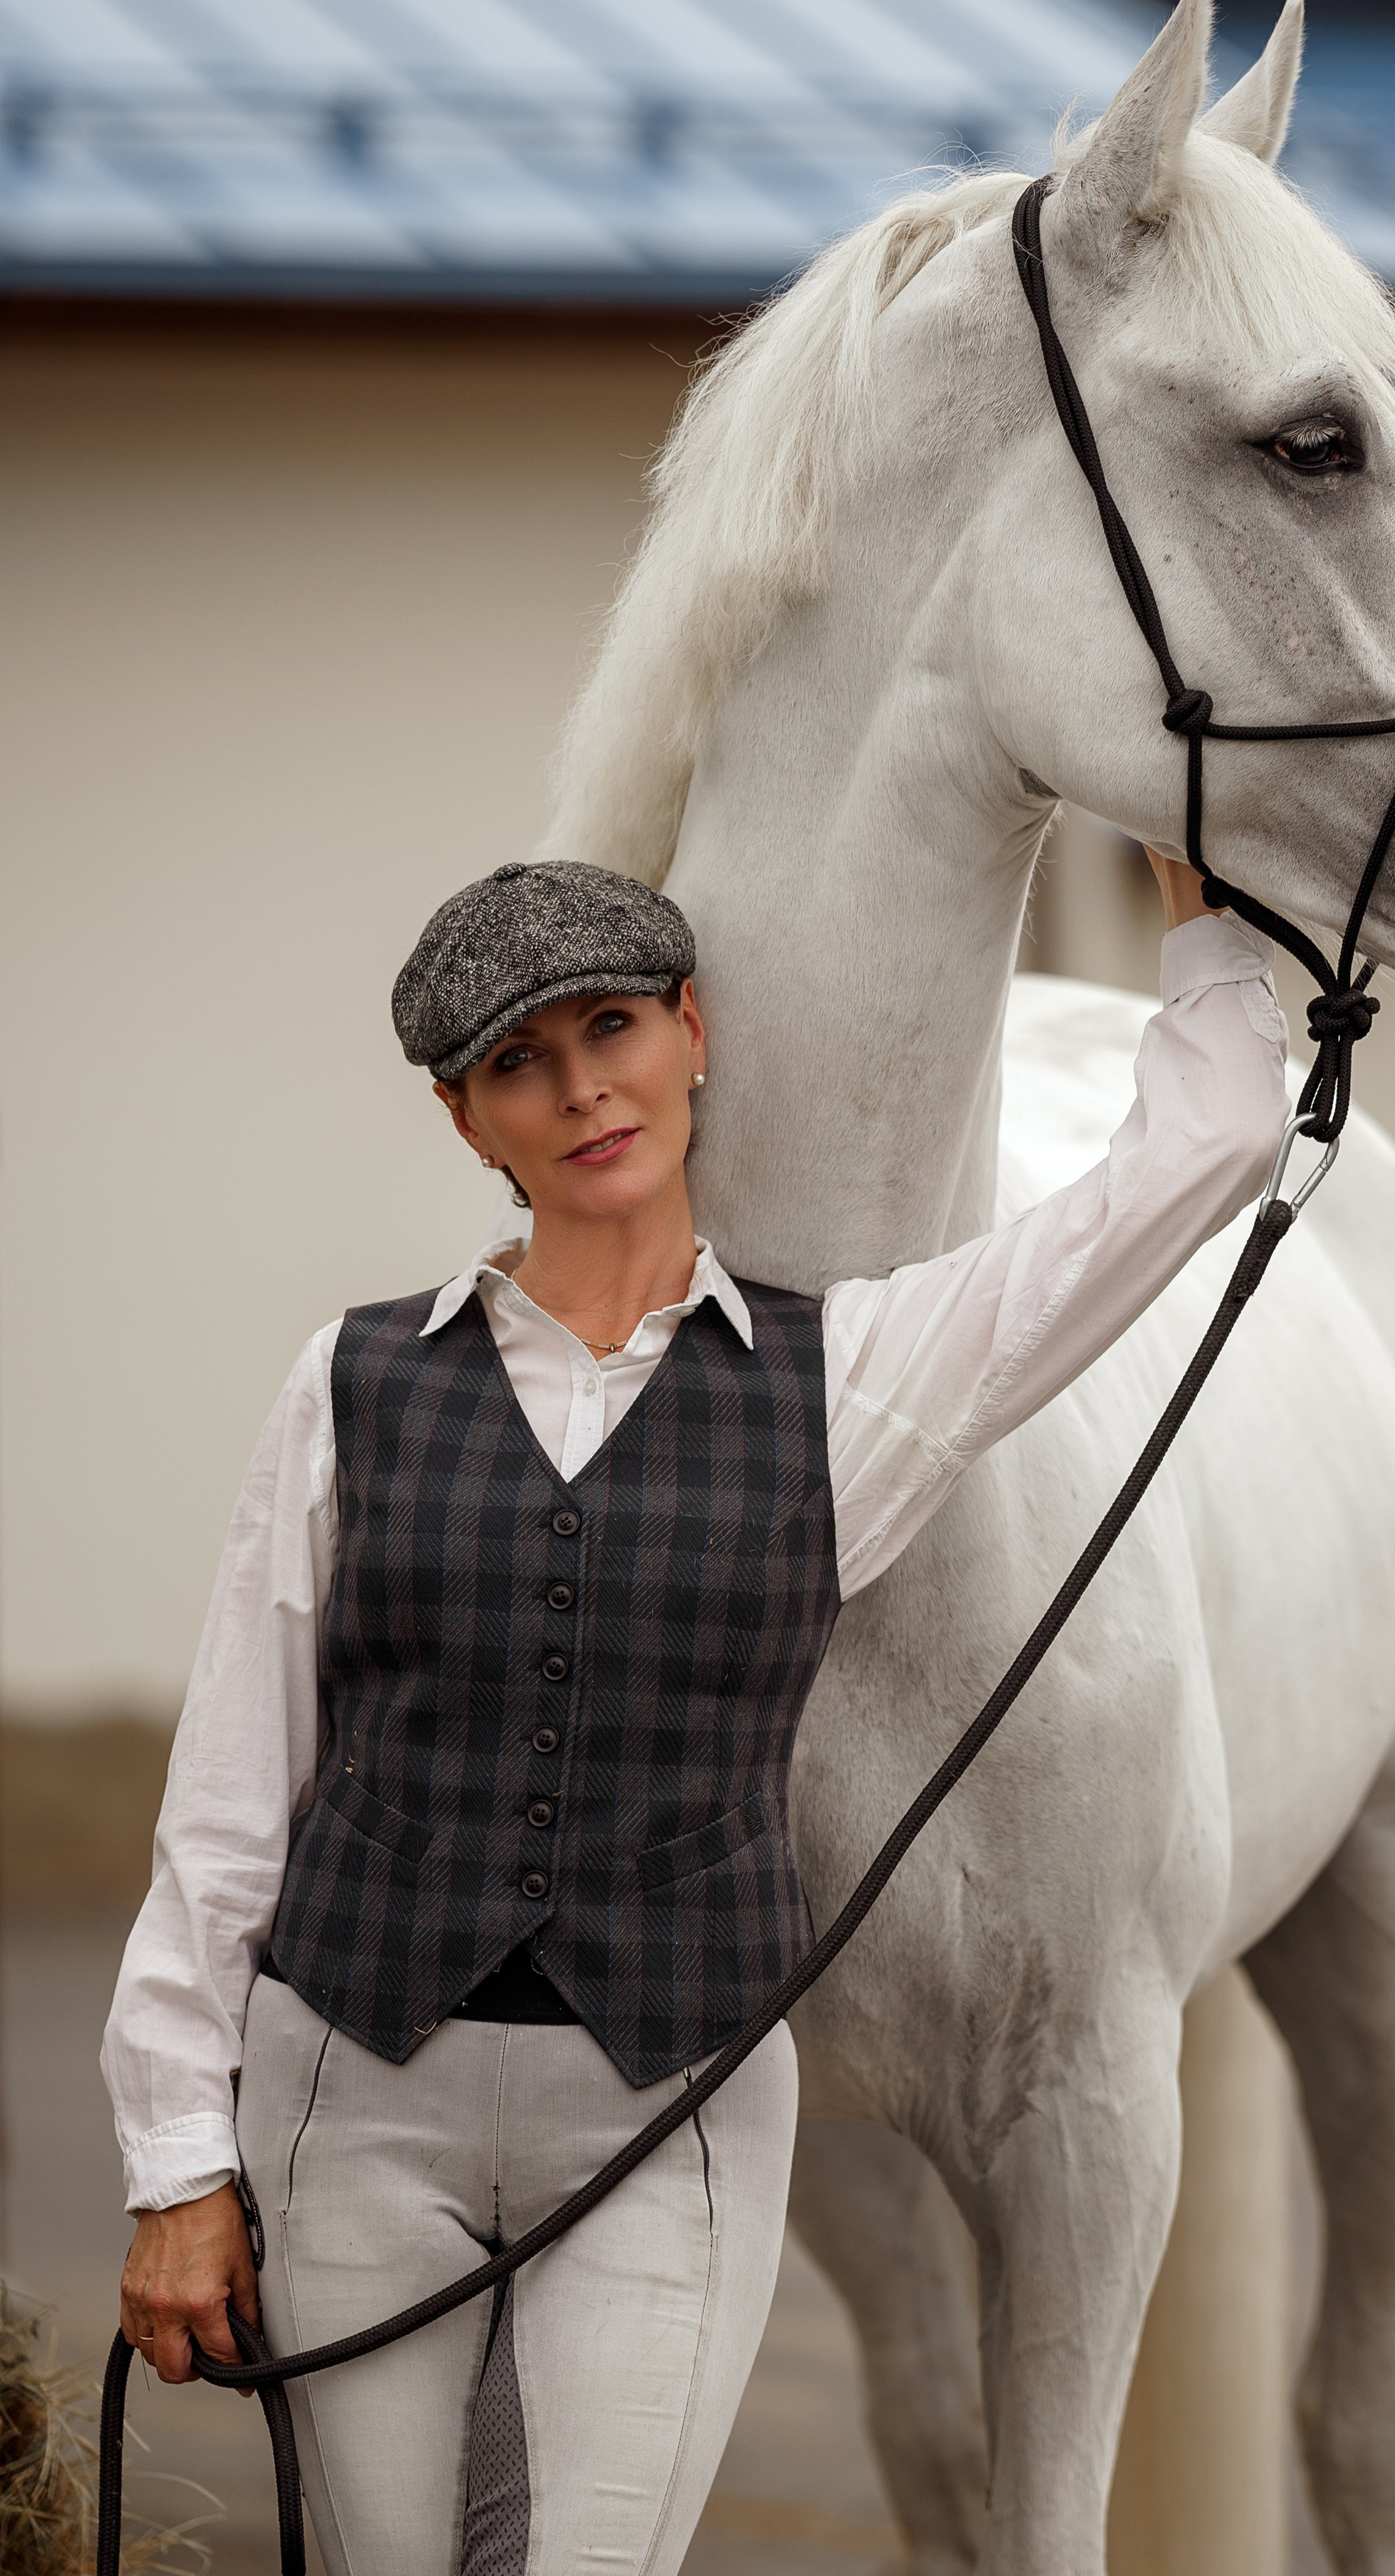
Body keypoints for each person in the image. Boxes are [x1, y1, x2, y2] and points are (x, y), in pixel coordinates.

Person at [104, 852, 1287, 2576]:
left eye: (612, 1029)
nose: (582, 1089)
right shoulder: (348, 1384)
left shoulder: (852, 1383)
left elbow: (1188, 1164)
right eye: (520, 1063)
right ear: (465, 1118)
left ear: (691, 1033)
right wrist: (175, 2166)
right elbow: (225, 1803)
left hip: (664, 2118)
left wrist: (1207, 916)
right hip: (347, 2103)